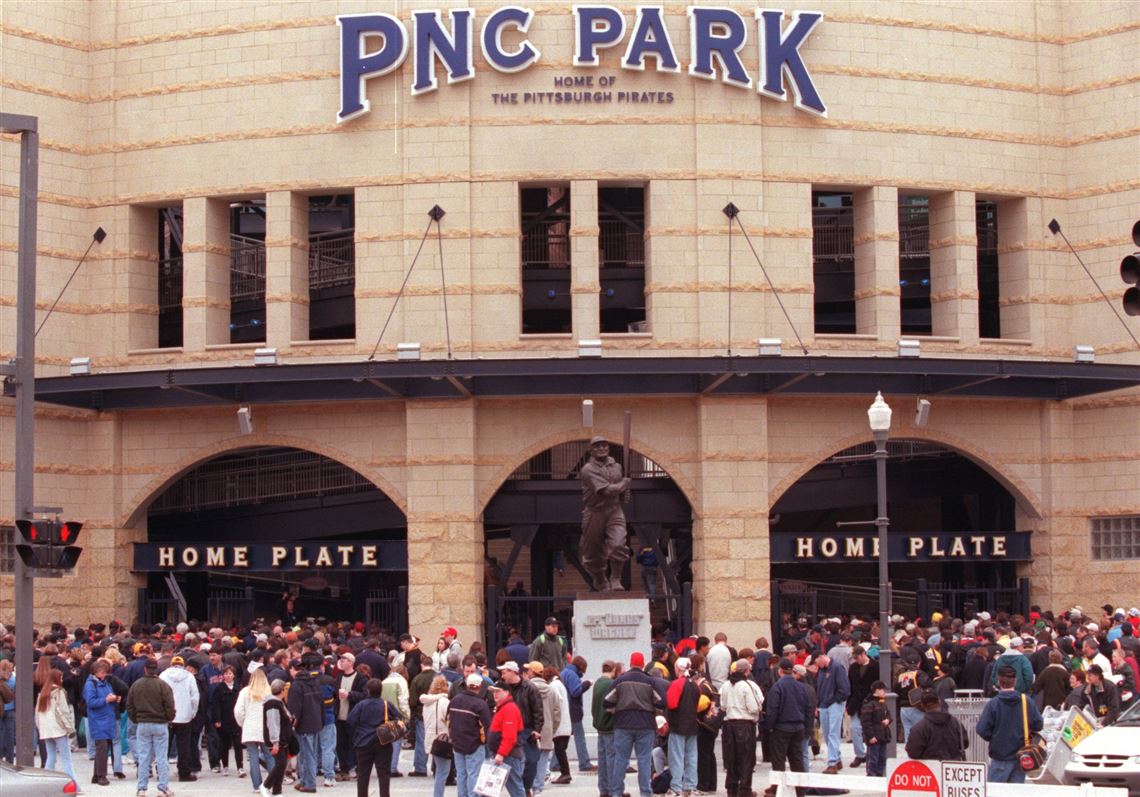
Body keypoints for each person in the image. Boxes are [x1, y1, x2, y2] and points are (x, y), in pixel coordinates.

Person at [605, 651, 666, 797]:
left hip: (623, 725)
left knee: (621, 759)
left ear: (631, 663)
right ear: (643, 664)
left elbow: (607, 701)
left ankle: (616, 792)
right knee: (644, 760)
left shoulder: (620, 680)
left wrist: (617, 710)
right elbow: (662, 702)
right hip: (645, 725)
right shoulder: (650, 681)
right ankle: (645, 792)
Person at [579, 436, 632, 592]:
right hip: (595, 512)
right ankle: (600, 579)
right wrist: (624, 485)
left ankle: (616, 579)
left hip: (614, 511)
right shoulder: (588, 469)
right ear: (591, 450)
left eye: (604, 446)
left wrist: (624, 493)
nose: (601, 449)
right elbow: (607, 490)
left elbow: (619, 491)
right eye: (597, 446)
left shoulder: (617, 466)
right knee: (592, 553)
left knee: (618, 544)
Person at [976, 665, 1043, 784]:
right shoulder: (1026, 701)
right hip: (1021, 756)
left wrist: (995, 737)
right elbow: (1039, 725)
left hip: (1000, 755)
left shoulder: (993, 704)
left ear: (999, 681)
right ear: (1015, 681)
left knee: (995, 792)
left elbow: (982, 730)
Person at [126, 657, 176, 797]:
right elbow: (170, 706)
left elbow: (129, 706)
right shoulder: (163, 685)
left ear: (145, 669)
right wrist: (168, 718)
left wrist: (136, 719)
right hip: (160, 724)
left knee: (144, 757)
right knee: (161, 757)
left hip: (143, 724)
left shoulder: (136, 685)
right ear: (157, 670)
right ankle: (163, 787)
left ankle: (142, 788)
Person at [348, 678, 403, 797]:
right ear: (381, 691)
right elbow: (399, 718)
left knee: (363, 774)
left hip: (363, 741)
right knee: (383, 774)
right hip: (383, 741)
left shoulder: (361, 705)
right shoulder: (386, 704)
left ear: (368, 690)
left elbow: (351, 721)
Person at [763, 659, 811, 797]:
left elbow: (773, 709)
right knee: (797, 760)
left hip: (781, 728)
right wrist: (807, 727)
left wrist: (769, 727)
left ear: (780, 671)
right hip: (798, 727)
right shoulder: (801, 686)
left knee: (779, 760)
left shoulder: (777, 687)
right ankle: (800, 791)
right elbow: (808, 708)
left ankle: (778, 789)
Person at [720, 659, 763, 797]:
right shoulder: (746, 685)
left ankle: (731, 789)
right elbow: (754, 707)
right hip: (744, 725)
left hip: (729, 725)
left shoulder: (726, 685)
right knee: (746, 758)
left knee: (731, 759)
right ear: (746, 671)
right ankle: (744, 789)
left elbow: (722, 706)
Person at [288, 654, 329, 793]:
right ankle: (304, 781)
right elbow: (321, 704)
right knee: (309, 754)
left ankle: (310, 784)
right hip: (316, 722)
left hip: (304, 725)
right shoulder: (314, 682)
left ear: (294, 670)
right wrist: (321, 721)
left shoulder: (296, 685)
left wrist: (292, 725)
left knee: (307, 755)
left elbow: (294, 709)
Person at [447, 673, 492, 797]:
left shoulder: (455, 700)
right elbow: (487, 726)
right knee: (474, 774)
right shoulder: (480, 704)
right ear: (480, 686)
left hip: (457, 743)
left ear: (466, 685)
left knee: (461, 774)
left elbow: (448, 720)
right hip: (475, 744)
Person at [159, 656, 200, 783]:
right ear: (183, 665)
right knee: (184, 747)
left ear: (171, 664)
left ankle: (162, 772)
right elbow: (194, 697)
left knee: (164, 746)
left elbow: (159, 695)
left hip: (168, 716)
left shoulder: (163, 676)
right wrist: (192, 712)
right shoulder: (189, 676)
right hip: (185, 716)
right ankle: (184, 773)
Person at [35, 669, 78, 786]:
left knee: (51, 756)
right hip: (58, 728)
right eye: (61, 677)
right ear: (57, 679)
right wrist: (70, 728)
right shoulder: (59, 692)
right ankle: (74, 784)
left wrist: (40, 729)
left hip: (46, 729)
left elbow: (37, 714)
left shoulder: (42, 694)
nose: (62, 680)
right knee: (66, 758)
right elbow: (64, 712)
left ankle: (46, 784)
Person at [235, 668, 274, 793]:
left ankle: (257, 785)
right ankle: (272, 783)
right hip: (266, 728)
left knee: (253, 757)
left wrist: (243, 723)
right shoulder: (269, 692)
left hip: (250, 727)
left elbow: (238, 711)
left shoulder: (245, 692)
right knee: (269, 756)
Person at [664, 658, 699, 797]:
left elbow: (671, 704)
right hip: (692, 725)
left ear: (678, 668)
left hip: (678, 725)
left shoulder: (677, 684)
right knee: (691, 757)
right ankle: (690, 786)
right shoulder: (695, 685)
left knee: (676, 757)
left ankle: (676, 787)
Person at [84, 659, 120, 787]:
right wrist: (106, 700)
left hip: (106, 718)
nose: (104, 674)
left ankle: (96, 774)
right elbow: (90, 702)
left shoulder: (104, 683)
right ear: (95, 672)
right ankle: (101, 776)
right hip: (98, 720)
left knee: (103, 747)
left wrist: (115, 698)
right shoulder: (90, 685)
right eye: (102, 672)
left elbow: (107, 696)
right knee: (102, 748)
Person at [488, 680, 527, 797]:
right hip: (505, 754)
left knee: (515, 787)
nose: (495, 694)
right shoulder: (503, 707)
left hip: (509, 755)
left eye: (498, 691)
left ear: (506, 692)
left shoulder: (509, 709)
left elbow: (510, 737)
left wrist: (501, 754)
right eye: (493, 692)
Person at [905, 689, 967, 761]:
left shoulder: (918, 728)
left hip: (929, 770)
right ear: (939, 701)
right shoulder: (956, 723)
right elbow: (965, 744)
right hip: (952, 768)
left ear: (922, 705)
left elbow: (913, 753)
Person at [334, 652, 368, 783]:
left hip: (353, 717)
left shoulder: (360, 678)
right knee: (340, 745)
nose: (341, 662)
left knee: (354, 744)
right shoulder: (339, 677)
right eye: (341, 659)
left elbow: (365, 695)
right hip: (340, 716)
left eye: (344, 659)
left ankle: (357, 768)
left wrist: (349, 694)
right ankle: (344, 770)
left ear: (351, 662)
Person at [813, 653, 850, 775]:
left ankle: (832, 763)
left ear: (822, 657)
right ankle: (837, 758)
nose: (816, 665)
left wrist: (834, 700)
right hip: (824, 705)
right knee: (828, 734)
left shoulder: (837, 668)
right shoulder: (822, 670)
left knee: (833, 733)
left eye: (816, 662)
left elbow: (844, 689)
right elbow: (819, 688)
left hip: (834, 704)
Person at [560, 656, 595, 773]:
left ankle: (556, 763)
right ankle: (584, 763)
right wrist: (587, 684)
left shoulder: (564, 672)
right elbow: (576, 692)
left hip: (565, 710)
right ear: (581, 667)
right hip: (573, 711)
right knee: (580, 738)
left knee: (561, 739)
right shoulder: (572, 675)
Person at [208, 665, 243, 775]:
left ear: (234, 675)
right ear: (223, 676)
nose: (228, 676)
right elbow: (215, 705)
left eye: (230, 673)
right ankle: (225, 766)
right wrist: (217, 719)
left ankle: (240, 767)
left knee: (238, 744)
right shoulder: (219, 689)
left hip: (236, 720)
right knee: (224, 744)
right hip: (224, 720)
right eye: (226, 674)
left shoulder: (239, 688)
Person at [261, 679, 294, 797]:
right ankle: (265, 786)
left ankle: (277, 791)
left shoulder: (279, 702)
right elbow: (273, 723)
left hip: (283, 739)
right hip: (277, 740)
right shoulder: (273, 704)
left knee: (282, 764)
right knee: (280, 764)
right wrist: (275, 742)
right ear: (281, 690)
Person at [592, 660, 621, 797]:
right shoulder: (611, 684)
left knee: (602, 760)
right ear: (614, 669)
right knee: (612, 760)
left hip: (599, 725)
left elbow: (593, 706)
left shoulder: (598, 683)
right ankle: (613, 790)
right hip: (610, 725)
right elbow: (612, 706)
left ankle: (603, 790)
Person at [421, 676, 452, 797]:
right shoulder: (445, 702)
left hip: (430, 737)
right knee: (442, 772)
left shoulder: (426, 702)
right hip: (442, 738)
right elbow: (449, 720)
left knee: (439, 769)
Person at [859, 681, 891, 779]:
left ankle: (879, 775)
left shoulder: (882, 704)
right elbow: (866, 723)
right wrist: (870, 736)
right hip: (874, 738)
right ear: (877, 690)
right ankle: (871, 776)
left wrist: (888, 720)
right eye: (883, 690)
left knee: (882, 758)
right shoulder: (869, 705)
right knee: (873, 758)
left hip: (882, 736)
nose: (885, 692)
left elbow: (889, 714)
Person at [0, 659, 15, 764]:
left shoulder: (1, 680)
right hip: (10, 709)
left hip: (1, 709)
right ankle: (10, 759)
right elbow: (11, 696)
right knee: (10, 735)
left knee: (1, 735)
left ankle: (1, 757)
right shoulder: (13, 679)